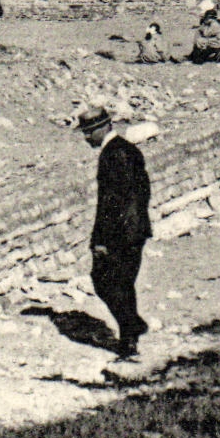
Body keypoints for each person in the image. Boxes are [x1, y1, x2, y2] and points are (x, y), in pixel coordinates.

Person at [79, 106, 151, 359]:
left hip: (122, 233)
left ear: (103, 128)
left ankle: (131, 328)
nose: (86, 138)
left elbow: (112, 202)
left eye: (88, 132)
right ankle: (129, 338)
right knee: (122, 284)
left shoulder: (114, 154)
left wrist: (103, 240)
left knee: (104, 281)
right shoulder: (127, 149)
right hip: (135, 229)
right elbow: (142, 192)